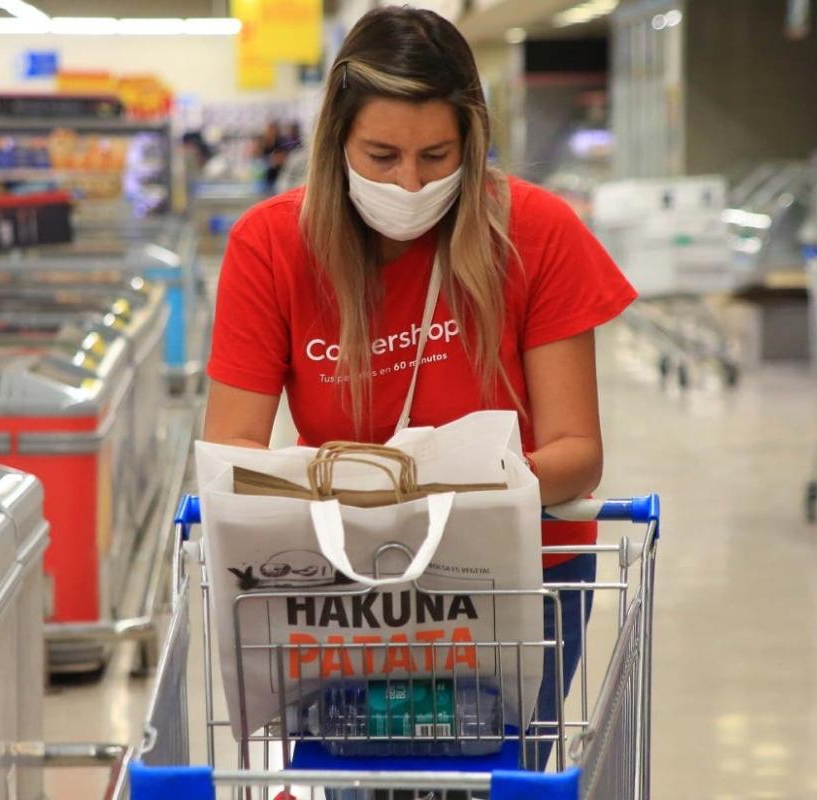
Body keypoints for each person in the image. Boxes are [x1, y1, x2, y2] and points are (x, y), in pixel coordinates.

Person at [201, 6, 636, 771]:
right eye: (381, 156)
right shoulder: (271, 246)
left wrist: (444, 500)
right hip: (341, 590)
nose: (409, 182)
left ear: (472, 139)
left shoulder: (536, 231)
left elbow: (576, 453)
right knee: (354, 776)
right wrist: (376, 505)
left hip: (517, 586)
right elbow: (233, 449)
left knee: (496, 776)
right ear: (336, 141)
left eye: (436, 156)